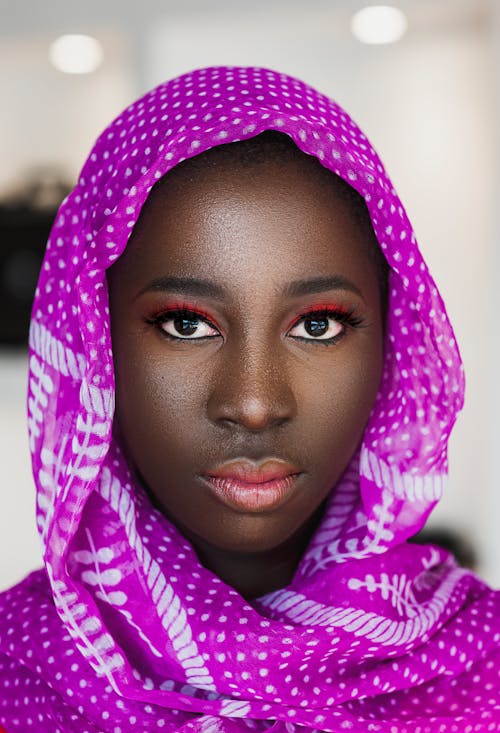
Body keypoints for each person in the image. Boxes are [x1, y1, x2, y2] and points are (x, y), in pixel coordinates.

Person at [0, 65, 498, 732]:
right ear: (92, 341)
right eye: (185, 323)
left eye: (317, 324)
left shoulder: (482, 667)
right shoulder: (15, 673)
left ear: (392, 348)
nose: (255, 403)